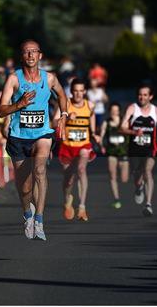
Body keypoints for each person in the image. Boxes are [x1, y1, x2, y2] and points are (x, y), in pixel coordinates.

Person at [0, 40, 68, 241]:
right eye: (26, 52)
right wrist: (19, 104)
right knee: (25, 187)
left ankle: (39, 218)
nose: (30, 55)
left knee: (39, 170)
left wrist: (63, 115)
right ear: (22, 56)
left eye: (33, 52)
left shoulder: (50, 78)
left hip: (42, 134)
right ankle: (27, 214)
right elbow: (1, 111)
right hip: (18, 136)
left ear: (40, 55)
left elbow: (63, 96)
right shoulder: (14, 79)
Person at [55, 78, 99, 222]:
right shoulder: (65, 103)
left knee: (81, 169)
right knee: (69, 180)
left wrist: (94, 134)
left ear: (85, 91)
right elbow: (54, 121)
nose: (78, 94)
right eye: (76, 91)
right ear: (71, 92)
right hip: (67, 147)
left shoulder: (90, 105)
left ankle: (82, 207)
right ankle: (67, 199)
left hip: (83, 145)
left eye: (81, 91)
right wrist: (66, 118)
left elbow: (92, 120)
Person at [119, 85, 157, 217]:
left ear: (150, 96)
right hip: (134, 148)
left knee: (148, 171)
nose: (142, 97)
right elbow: (122, 128)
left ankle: (148, 204)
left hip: (150, 148)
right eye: (140, 94)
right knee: (137, 175)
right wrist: (134, 132)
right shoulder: (132, 108)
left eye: (145, 95)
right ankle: (139, 188)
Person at [100, 102, 129, 209]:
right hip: (111, 152)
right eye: (112, 111)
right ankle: (116, 199)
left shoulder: (124, 122)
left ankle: (137, 187)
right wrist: (101, 145)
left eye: (116, 111)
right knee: (112, 176)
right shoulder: (106, 123)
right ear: (109, 111)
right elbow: (102, 135)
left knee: (124, 179)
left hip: (123, 152)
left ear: (119, 112)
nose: (114, 113)